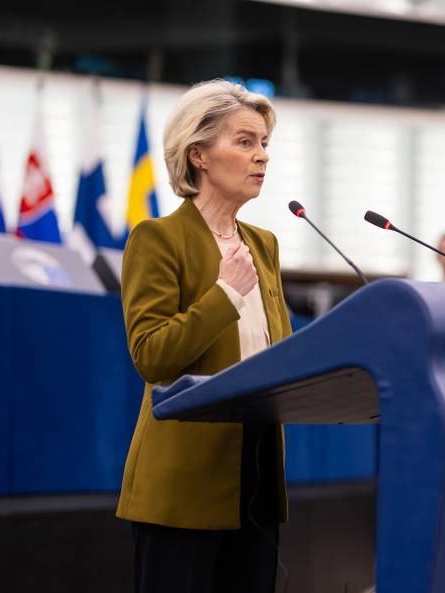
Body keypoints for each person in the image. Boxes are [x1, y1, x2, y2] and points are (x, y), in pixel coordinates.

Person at [116, 79, 292, 593]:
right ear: (199, 155)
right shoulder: (158, 239)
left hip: (257, 476)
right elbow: (152, 356)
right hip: (184, 486)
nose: (262, 156)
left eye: (264, 144)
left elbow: (279, 355)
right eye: (245, 142)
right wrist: (226, 295)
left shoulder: (265, 244)